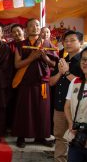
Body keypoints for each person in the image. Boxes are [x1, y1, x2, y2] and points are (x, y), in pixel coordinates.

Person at [12, 18, 58, 148]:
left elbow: (54, 65)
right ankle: (21, 136)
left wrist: (44, 57)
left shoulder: (48, 43)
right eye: (31, 25)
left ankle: (41, 136)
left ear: (40, 27)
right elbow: (17, 64)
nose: (35, 28)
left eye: (37, 25)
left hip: (42, 83)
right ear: (26, 29)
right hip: (26, 82)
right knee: (24, 110)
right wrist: (32, 57)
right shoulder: (21, 45)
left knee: (42, 111)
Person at [43, 31, 82, 162]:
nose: (68, 43)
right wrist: (60, 71)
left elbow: (84, 85)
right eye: (66, 41)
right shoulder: (62, 60)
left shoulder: (85, 61)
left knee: (78, 138)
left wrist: (66, 73)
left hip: (78, 107)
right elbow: (51, 82)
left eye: (72, 40)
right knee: (59, 136)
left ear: (80, 43)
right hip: (60, 105)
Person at [64, 46, 87, 162]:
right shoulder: (75, 82)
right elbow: (67, 106)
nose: (86, 63)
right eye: (84, 59)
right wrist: (71, 123)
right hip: (77, 137)